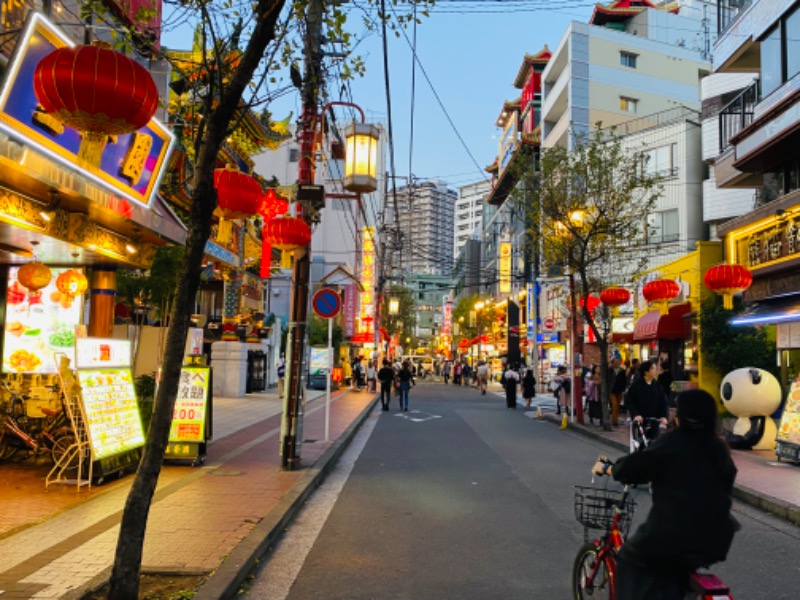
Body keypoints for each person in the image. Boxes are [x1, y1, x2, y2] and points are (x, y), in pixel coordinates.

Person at [592, 389, 738, 599]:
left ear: (681, 416)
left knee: (628, 558)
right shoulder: (718, 448)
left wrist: (613, 469)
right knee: (673, 570)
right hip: (717, 537)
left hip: (671, 533)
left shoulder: (673, 442)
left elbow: (636, 466)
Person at [625, 360, 669, 444]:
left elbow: (664, 402)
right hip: (640, 421)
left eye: (655, 368)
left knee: (654, 444)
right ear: (646, 372)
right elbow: (629, 401)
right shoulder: (636, 385)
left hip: (654, 421)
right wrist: (635, 414)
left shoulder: (657, 386)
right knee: (641, 445)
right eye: (652, 368)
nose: (655, 370)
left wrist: (664, 416)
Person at [608, 357, 628, 427]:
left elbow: (624, 381)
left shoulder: (622, 371)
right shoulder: (609, 370)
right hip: (612, 390)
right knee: (614, 404)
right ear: (612, 363)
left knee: (618, 406)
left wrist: (623, 389)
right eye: (615, 362)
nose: (617, 363)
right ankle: (614, 420)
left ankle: (615, 419)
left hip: (619, 390)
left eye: (618, 362)